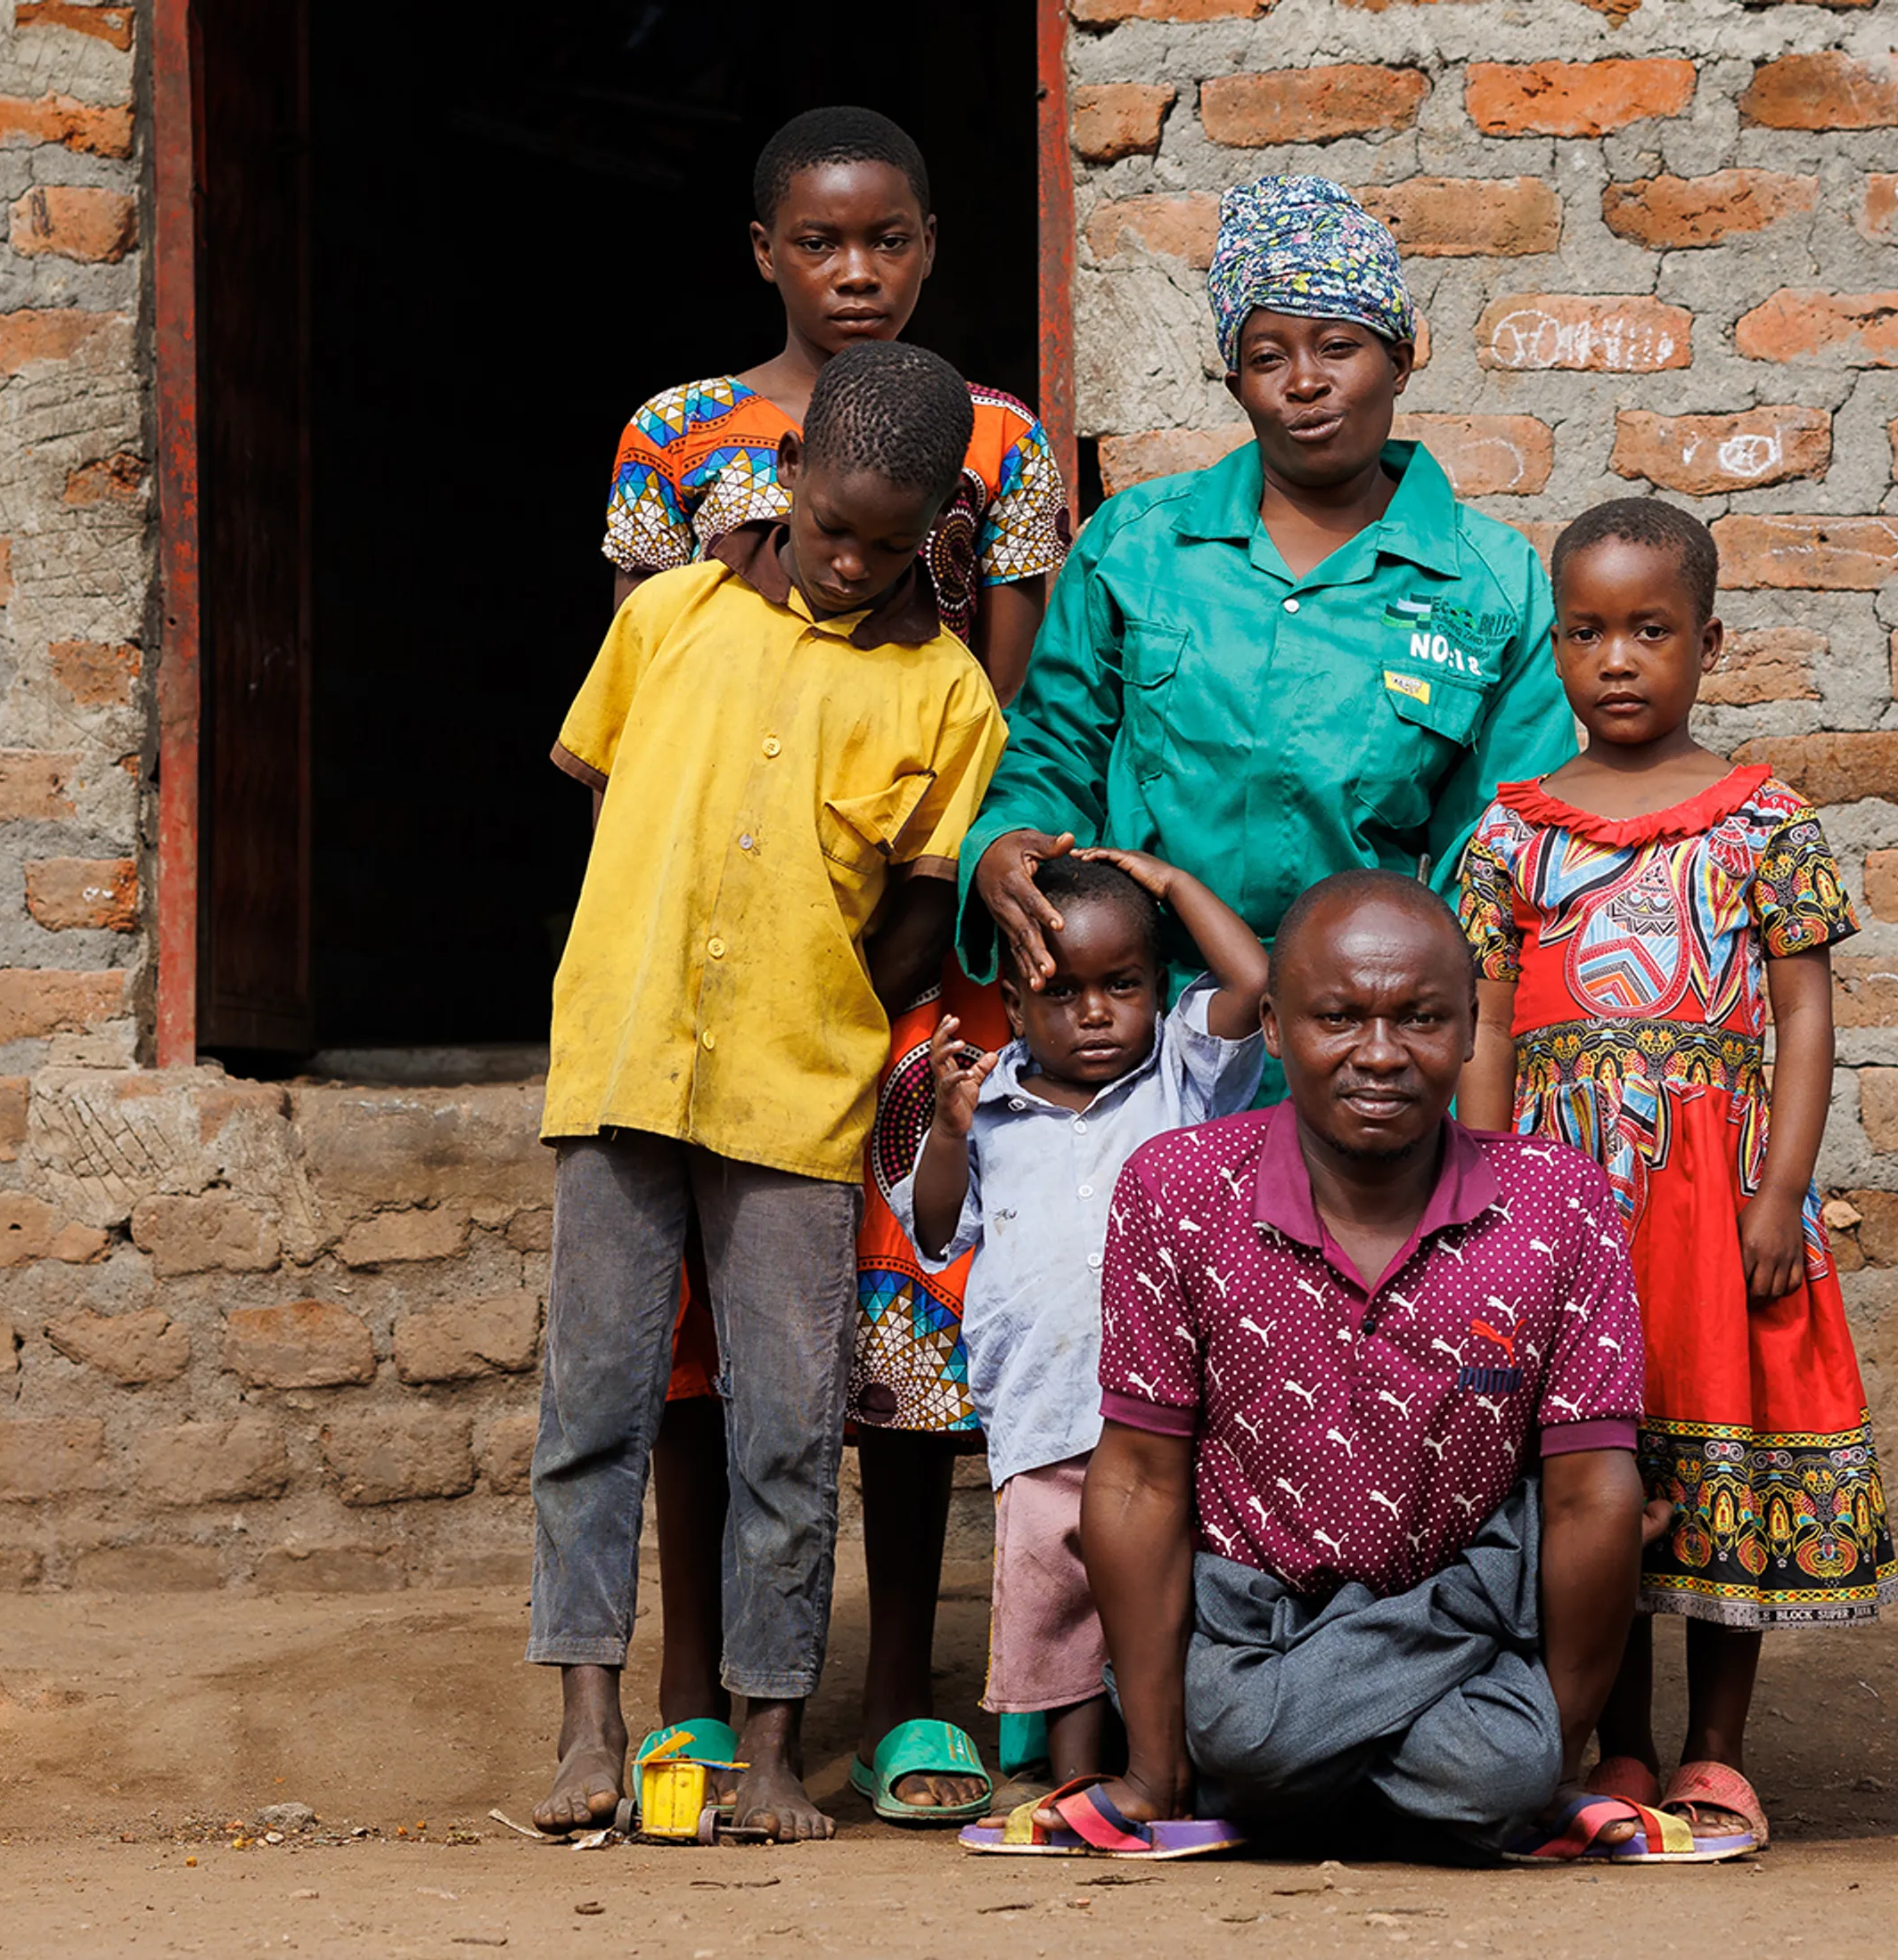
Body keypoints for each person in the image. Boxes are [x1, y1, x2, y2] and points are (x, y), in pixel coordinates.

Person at [599, 103, 1067, 1821]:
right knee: (702, 1329)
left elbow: (998, 721)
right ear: (765, 254)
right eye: (819, 241)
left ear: (934, 244)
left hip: (905, 949)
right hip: (712, 966)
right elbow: (648, 711)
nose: (855, 271)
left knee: (905, 1310)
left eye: (888, 240)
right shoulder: (680, 438)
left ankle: (900, 1696)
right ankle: (692, 1695)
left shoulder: (999, 443)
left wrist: (923, 950)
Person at [967, 873, 1752, 1863]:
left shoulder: (1559, 1201)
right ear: (1278, 1026)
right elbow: (1135, 1478)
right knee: (1281, 1734)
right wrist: (1154, 1771)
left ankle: (1306, 1781)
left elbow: (1595, 1492)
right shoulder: (1177, 1189)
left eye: (1420, 1017)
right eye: (1338, 1017)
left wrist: (1548, 1754)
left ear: (1471, 1027)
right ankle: (1450, 1672)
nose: (1379, 1055)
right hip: (1251, 1619)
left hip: (1440, 1625)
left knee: (1343, 1752)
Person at [528, 340, 1006, 1842]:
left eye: (888, 538)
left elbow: (924, 910)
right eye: (828, 525)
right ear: (783, 485)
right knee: (595, 1404)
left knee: (791, 1427)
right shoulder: (668, 615)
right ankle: (589, 1727)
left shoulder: (948, 699)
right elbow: (612, 791)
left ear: (939, 526)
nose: (850, 561)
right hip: (621, 1060)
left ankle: (771, 1743)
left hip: (797, 1100)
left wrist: (816, 1004)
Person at [1452, 498, 1898, 1848]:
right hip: (1559, 1199)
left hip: (1718, 1202)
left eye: (1651, 631)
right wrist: (1481, 1192)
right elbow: (1481, 1020)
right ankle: (1625, 1747)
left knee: (1724, 1448)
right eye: (1586, 633)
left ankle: (1717, 1748)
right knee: (1597, 1468)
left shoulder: (1767, 825)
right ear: (1558, 651)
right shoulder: (1512, 835)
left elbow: (1805, 1017)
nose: (1618, 661)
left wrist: (1779, 1193)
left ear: (1710, 641)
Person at [961, 174, 1572, 1012]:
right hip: (1144, 1030)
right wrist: (1002, 841)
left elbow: (1504, 842)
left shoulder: (1489, 583)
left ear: (1399, 360)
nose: (1304, 382)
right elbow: (1054, 750)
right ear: (1236, 385)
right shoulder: (1138, 547)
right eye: (1267, 357)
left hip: (1364, 1034)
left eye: (1338, 347)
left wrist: (1432, 1028)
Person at [888, 851, 1270, 1803]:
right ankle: (1071, 1782)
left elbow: (1256, 979)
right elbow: (935, 1229)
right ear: (1013, 1007)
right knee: (1055, 1604)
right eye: (1061, 993)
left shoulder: (1179, 1078)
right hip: (1042, 1411)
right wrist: (945, 1126)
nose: (1095, 1013)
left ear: (1158, 988)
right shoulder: (988, 1110)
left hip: (1167, 1421)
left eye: (1123, 985)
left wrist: (1176, 884)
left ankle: (1167, 1773)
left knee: (1166, 1600)